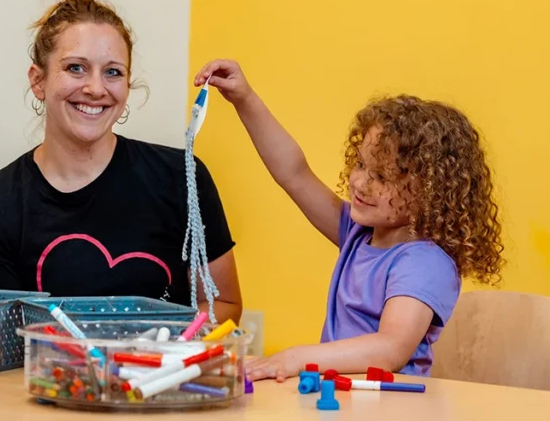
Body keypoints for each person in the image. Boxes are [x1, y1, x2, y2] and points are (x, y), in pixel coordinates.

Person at [0, 0, 243, 324]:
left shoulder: (181, 178)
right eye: (75, 68)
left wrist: (153, 359)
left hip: (160, 379)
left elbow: (222, 305)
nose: (95, 88)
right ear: (38, 80)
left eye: (112, 72)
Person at [194, 59, 504, 379]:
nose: (359, 183)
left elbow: (390, 348)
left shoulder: (425, 263)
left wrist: (296, 357)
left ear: (432, 192)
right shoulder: (360, 233)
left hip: (395, 415)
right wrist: (245, 99)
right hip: (348, 405)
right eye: (360, 165)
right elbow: (294, 173)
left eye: (381, 176)